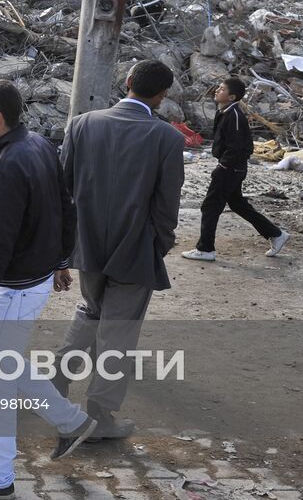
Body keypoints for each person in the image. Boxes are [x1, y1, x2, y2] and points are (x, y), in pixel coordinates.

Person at [0, 80, 95, 500]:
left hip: (16, 290)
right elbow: (66, 207)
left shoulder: (9, 165)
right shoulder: (39, 145)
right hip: (35, 280)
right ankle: (72, 422)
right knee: (6, 366)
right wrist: (61, 260)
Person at [55, 60, 185, 441]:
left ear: (127, 82)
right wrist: (160, 243)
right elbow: (167, 205)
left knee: (92, 311)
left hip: (87, 244)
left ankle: (55, 380)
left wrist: (67, 244)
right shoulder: (167, 138)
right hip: (135, 247)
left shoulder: (82, 124)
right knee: (119, 330)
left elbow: (63, 190)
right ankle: (99, 415)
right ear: (162, 96)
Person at [182, 77, 288, 262]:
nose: (217, 91)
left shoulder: (235, 116)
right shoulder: (225, 112)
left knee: (210, 206)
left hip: (231, 169)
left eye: (222, 89)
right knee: (237, 204)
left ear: (232, 97)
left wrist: (223, 166)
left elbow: (238, 146)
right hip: (231, 167)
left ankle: (205, 249)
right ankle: (276, 234)